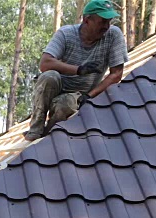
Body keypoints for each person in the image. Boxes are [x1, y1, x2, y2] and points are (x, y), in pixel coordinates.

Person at [23, 0, 128, 141]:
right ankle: (36, 129)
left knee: (65, 105)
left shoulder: (113, 35)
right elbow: (45, 63)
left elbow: (116, 74)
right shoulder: (66, 34)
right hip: (56, 88)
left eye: (109, 21)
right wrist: (78, 70)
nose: (106, 26)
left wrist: (89, 96)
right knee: (49, 76)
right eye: (102, 21)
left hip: (78, 95)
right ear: (87, 20)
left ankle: (49, 133)